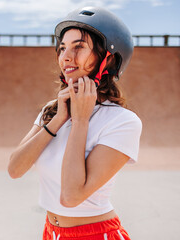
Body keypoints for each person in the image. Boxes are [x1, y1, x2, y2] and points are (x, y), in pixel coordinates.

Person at [8, 6, 142, 240]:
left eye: (78, 47)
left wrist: (80, 120)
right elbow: (15, 169)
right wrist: (59, 119)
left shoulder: (122, 122)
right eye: (62, 48)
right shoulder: (53, 110)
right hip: (51, 232)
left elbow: (71, 196)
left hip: (96, 234)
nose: (66, 57)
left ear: (108, 59)